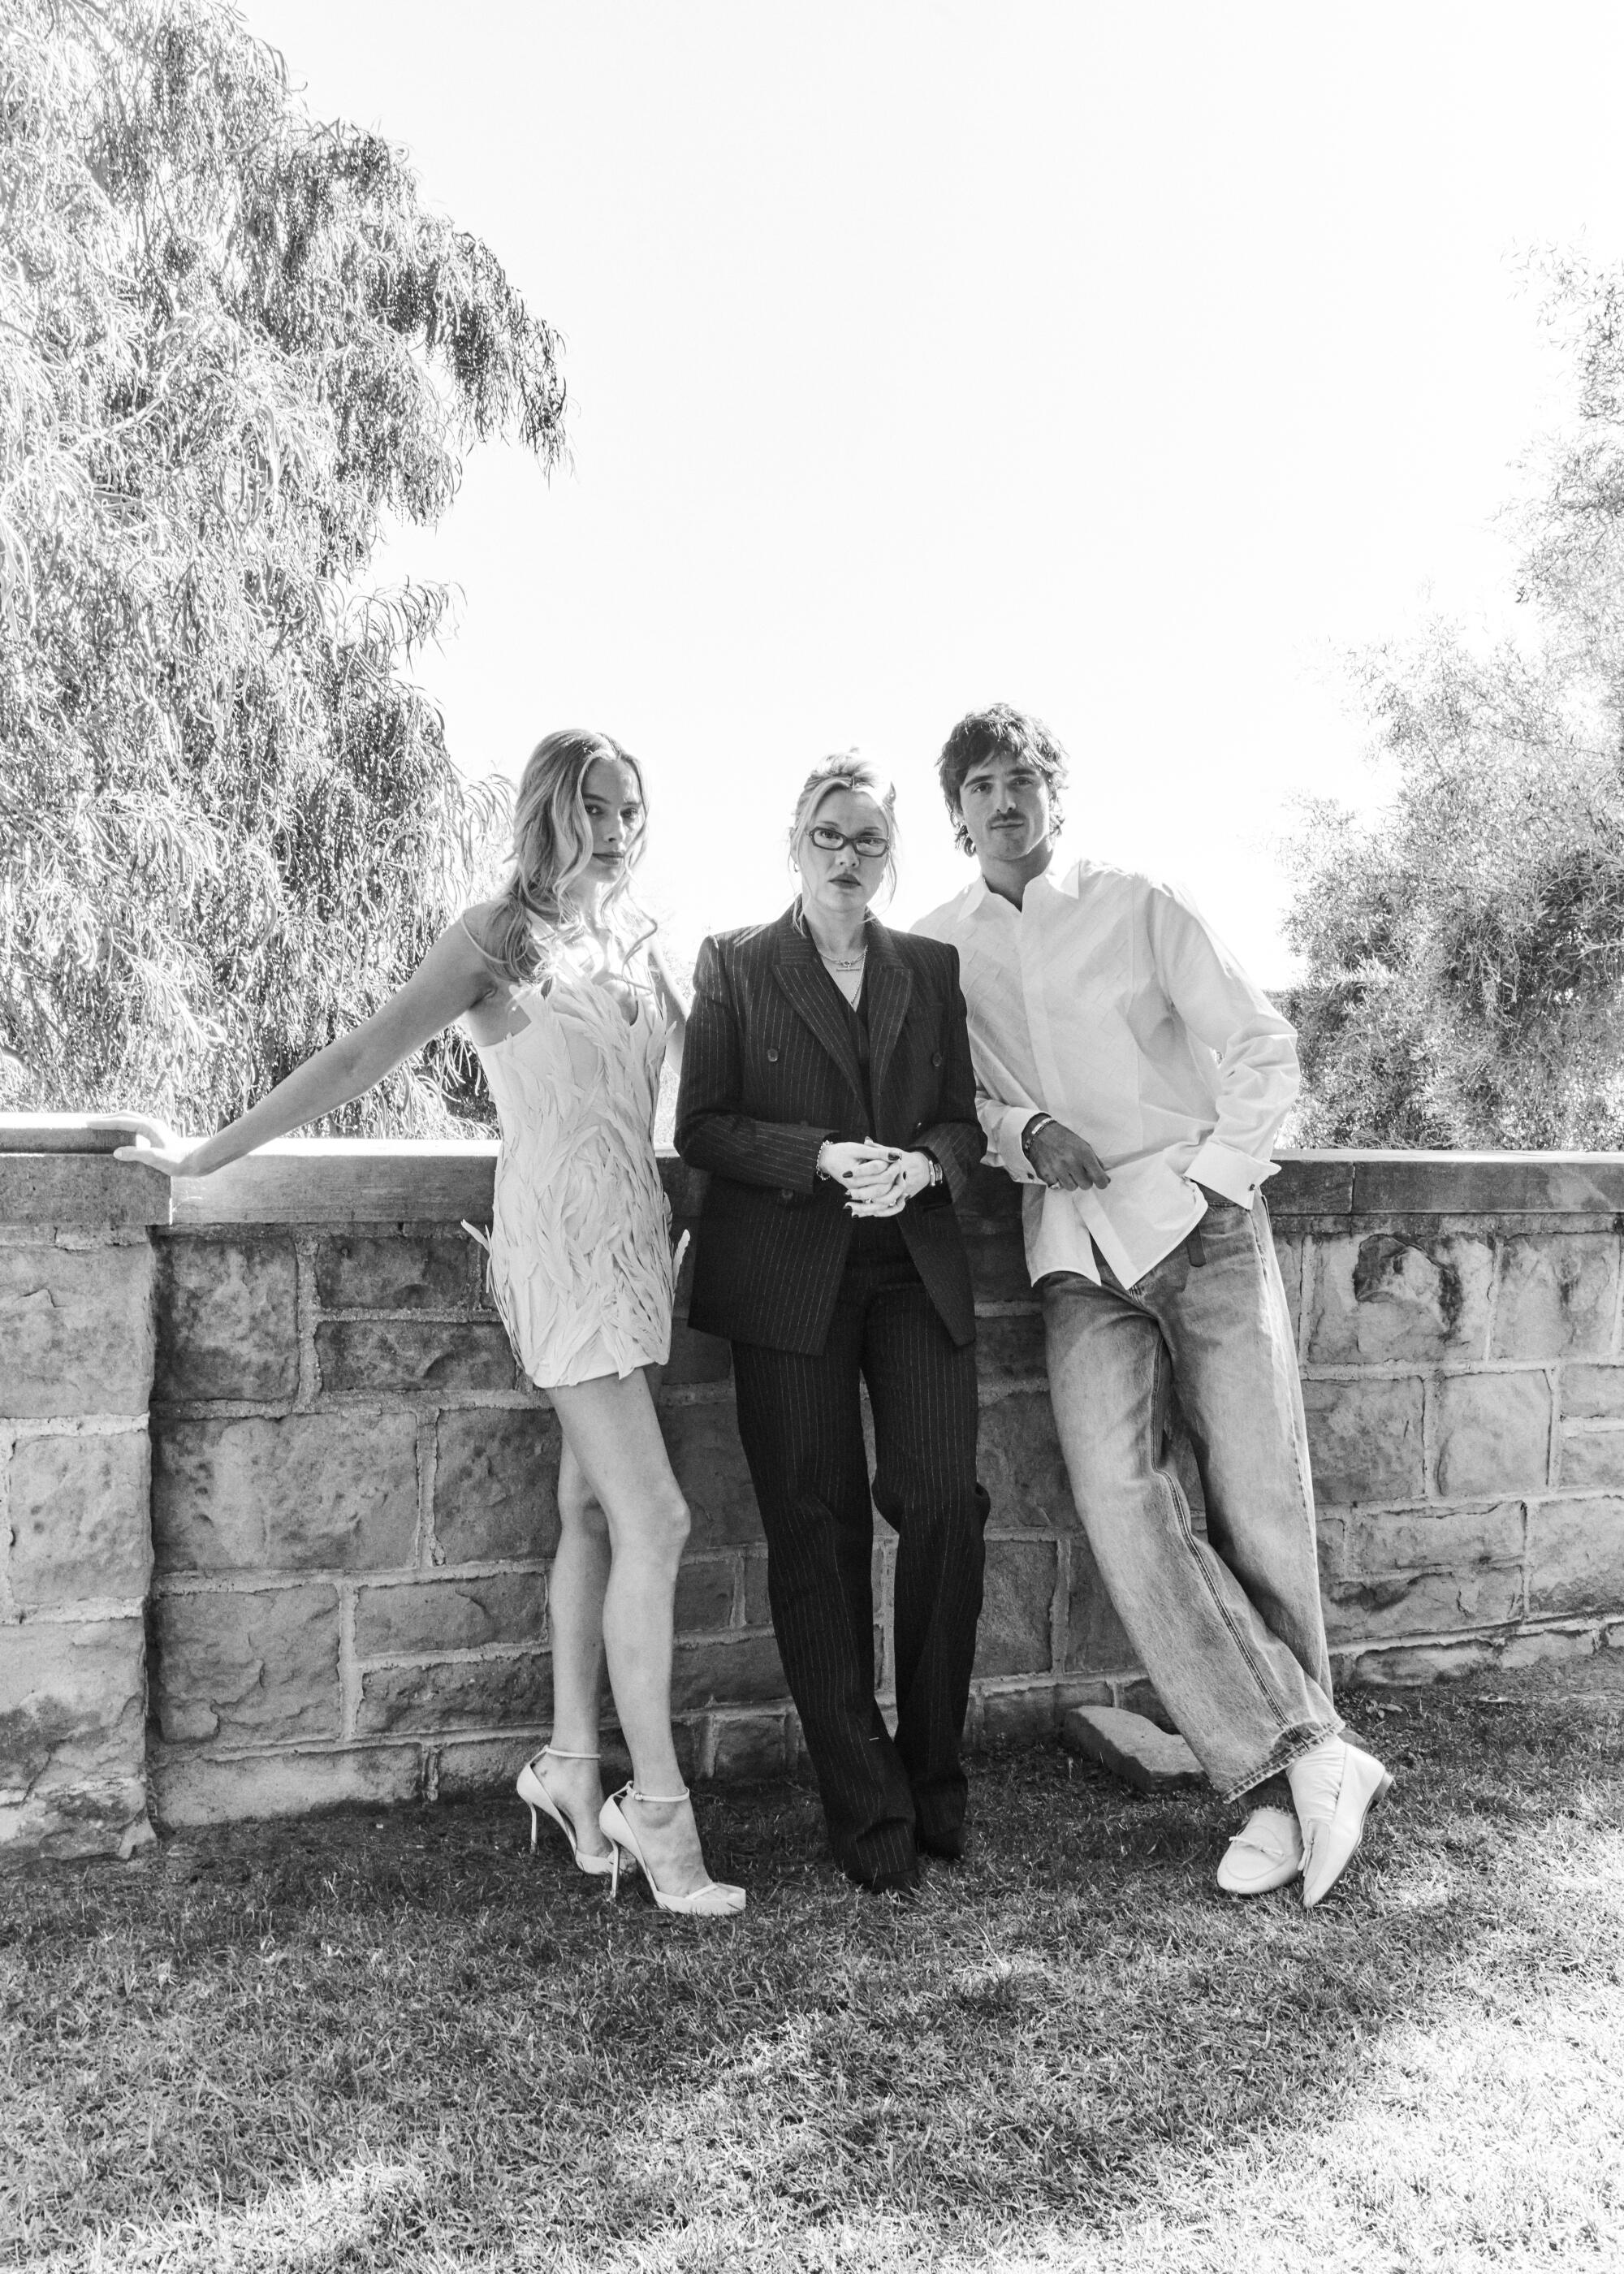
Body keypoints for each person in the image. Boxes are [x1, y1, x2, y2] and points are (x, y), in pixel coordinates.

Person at [106, 728, 744, 1918]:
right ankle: (658, 1812)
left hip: (638, 1244)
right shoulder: (496, 938)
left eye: (631, 810)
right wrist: (208, 1155)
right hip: (556, 1250)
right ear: (551, 812)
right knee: (659, 1515)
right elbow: (363, 1053)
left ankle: (567, 1767)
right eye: (594, 807)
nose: (615, 830)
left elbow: (701, 1102)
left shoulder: (647, 947)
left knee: (592, 1509)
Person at [914, 704, 1392, 1909]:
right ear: (956, 811)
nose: (1005, 801)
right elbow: (956, 1096)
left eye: (1023, 779)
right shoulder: (935, 949)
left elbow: (1262, 1046)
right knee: (1125, 1503)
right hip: (1075, 1251)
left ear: (1055, 797)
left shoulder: (1140, 903)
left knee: (1256, 1501)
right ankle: (1307, 1758)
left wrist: (1210, 1179)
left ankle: (1284, 1797)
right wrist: (1025, 1131)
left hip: (1206, 1230)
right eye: (981, 784)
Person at [675, 754, 989, 1895]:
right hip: (786, 1281)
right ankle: (869, 1818)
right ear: (794, 844)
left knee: (944, 1501)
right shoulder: (736, 965)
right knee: (817, 1531)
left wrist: (919, 1167)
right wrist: (809, 1156)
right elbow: (703, 1126)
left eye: (868, 838)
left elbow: (964, 1125)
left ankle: (935, 1784)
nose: (848, 855)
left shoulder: (930, 970)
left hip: (912, 1271)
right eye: (829, 834)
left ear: (891, 853)